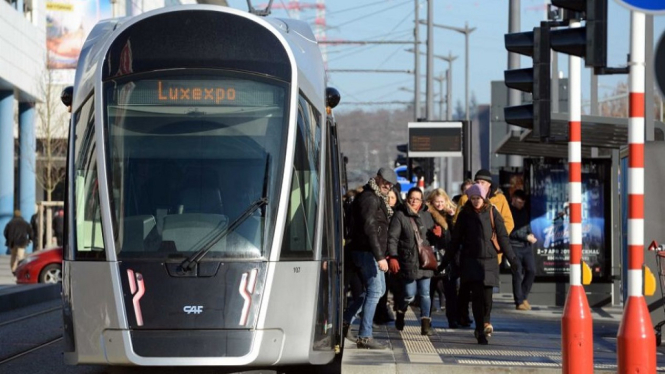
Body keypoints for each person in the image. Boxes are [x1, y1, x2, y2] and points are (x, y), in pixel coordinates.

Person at [442, 184, 521, 345]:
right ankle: (480, 330)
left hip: (490, 261)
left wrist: (513, 260)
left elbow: (503, 238)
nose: (476, 201)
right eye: (473, 198)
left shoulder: (493, 212)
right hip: (471, 261)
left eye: (478, 198)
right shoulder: (465, 215)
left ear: (484, 198)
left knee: (487, 297)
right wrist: (445, 262)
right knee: (477, 296)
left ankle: (486, 321)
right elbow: (455, 240)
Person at [343, 167, 397, 349]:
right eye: (385, 181)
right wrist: (380, 256)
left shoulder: (376, 198)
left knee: (378, 291)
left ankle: (345, 321)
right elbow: (370, 228)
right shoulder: (370, 198)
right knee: (375, 292)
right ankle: (365, 336)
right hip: (367, 251)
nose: (388, 186)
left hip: (370, 251)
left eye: (391, 184)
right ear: (377, 178)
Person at [453, 170, 515, 327]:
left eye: (483, 182)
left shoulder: (499, 200)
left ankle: (484, 322)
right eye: (477, 181)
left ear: (489, 185)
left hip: (492, 254)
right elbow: (457, 223)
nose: (479, 184)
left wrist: (494, 236)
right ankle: (468, 317)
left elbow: (508, 222)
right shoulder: (465, 199)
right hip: (470, 254)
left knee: (486, 293)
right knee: (468, 290)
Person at [388, 187, 437, 336]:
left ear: (421, 201)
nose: (414, 201)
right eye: (412, 198)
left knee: (425, 294)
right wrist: (393, 256)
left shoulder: (427, 215)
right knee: (409, 294)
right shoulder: (400, 215)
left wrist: (438, 234)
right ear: (407, 198)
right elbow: (392, 238)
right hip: (408, 260)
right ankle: (401, 312)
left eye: (417, 198)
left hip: (425, 260)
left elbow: (432, 238)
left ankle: (425, 324)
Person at [425, 188, 458, 328]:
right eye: (436, 202)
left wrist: (451, 219)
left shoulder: (452, 214)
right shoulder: (426, 213)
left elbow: (455, 236)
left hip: (448, 257)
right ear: (431, 202)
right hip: (431, 256)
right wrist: (434, 233)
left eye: (441, 201)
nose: (439, 204)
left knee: (450, 290)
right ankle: (426, 319)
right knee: (429, 290)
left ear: (446, 201)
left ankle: (453, 319)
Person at [374, 186, 403, 325]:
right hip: (383, 255)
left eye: (392, 197)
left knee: (397, 287)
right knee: (382, 287)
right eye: (387, 197)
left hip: (397, 255)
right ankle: (380, 312)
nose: (390, 200)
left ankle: (398, 311)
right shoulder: (380, 212)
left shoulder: (400, 214)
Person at [509, 189, 537, 311]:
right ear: (514, 199)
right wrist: (526, 237)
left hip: (526, 247)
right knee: (517, 273)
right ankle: (519, 301)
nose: (522, 205)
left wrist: (530, 234)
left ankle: (524, 296)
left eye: (523, 203)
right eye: (520, 202)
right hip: (514, 246)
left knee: (531, 270)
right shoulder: (509, 212)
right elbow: (510, 231)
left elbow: (527, 226)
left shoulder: (524, 211)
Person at [4, 210, 34, 275]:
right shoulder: (25, 223)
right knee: (20, 256)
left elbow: (5, 232)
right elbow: (30, 232)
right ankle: (20, 269)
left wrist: (8, 239)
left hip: (12, 242)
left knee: (13, 256)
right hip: (22, 242)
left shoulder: (10, 223)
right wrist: (30, 239)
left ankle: (13, 269)